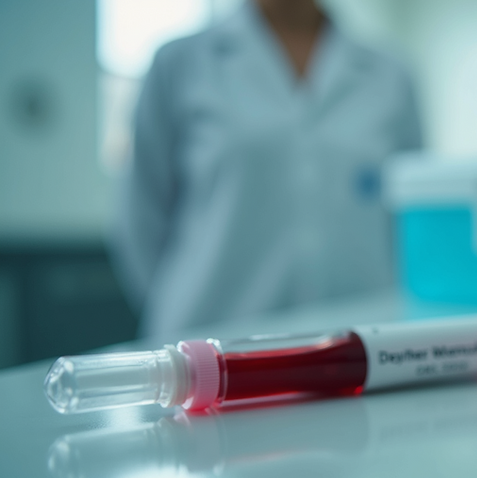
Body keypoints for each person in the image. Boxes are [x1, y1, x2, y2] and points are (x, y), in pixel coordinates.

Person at [110, 0, 422, 337]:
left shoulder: (390, 74)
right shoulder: (180, 63)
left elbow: (411, 214)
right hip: (209, 346)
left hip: (361, 341)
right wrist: (174, 303)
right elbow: (141, 217)